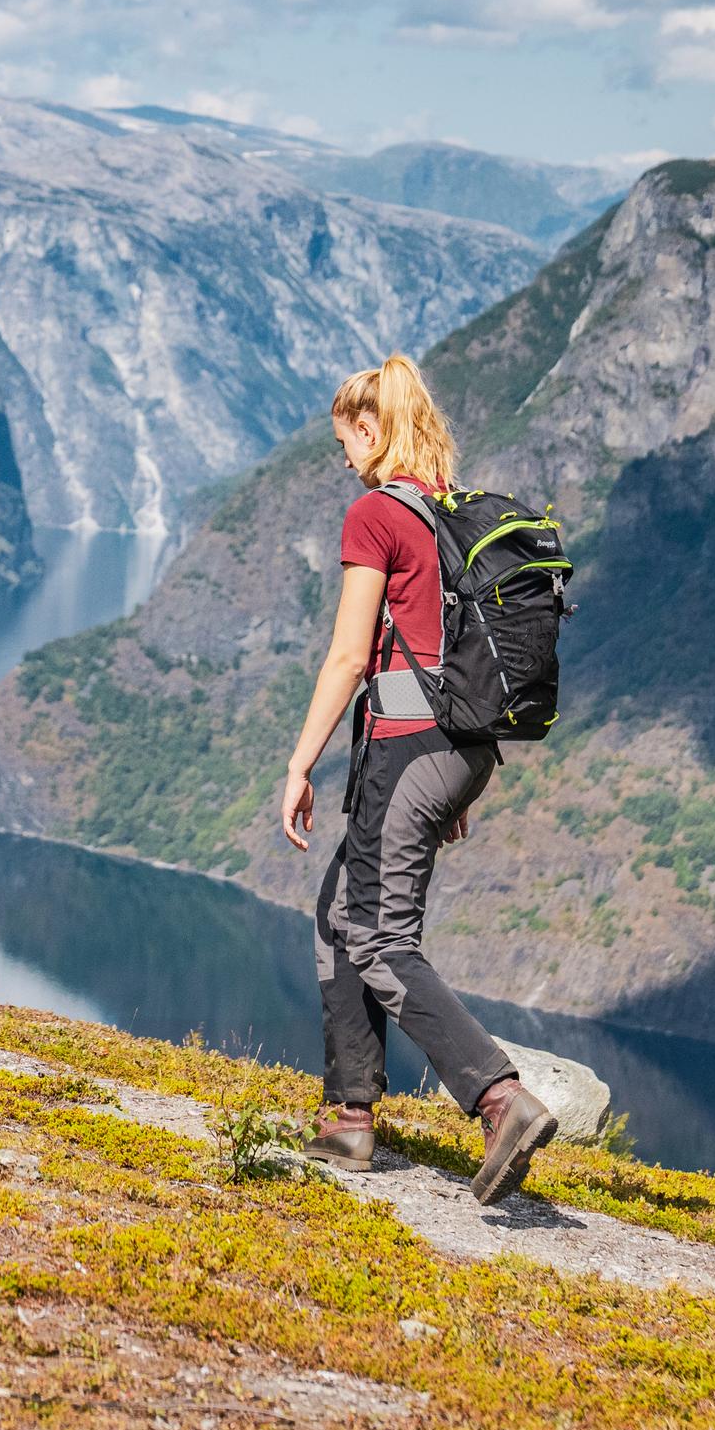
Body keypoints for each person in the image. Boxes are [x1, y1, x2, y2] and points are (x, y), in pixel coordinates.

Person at [275, 355, 557, 1202]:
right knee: (340, 918)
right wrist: (449, 784)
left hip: (410, 748)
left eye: (344, 440)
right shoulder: (443, 514)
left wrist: (299, 763)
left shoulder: (376, 516)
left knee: (380, 934)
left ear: (370, 429)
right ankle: (349, 1116)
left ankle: (499, 1096)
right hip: (455, 749)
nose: (344, 457)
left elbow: (350, 655)